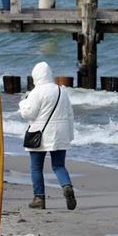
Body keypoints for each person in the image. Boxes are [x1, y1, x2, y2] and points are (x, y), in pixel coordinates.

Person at [19, 62, 76, 211]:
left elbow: (28, 114)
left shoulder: (36, 92)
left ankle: (39, 198)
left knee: (36, 168)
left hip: (40, 134)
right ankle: (67, 186)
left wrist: (23, 103)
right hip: (60, 134)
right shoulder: (61, 91)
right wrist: (69, 135)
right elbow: (70, 114)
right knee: (58, 165)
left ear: (36, 76)